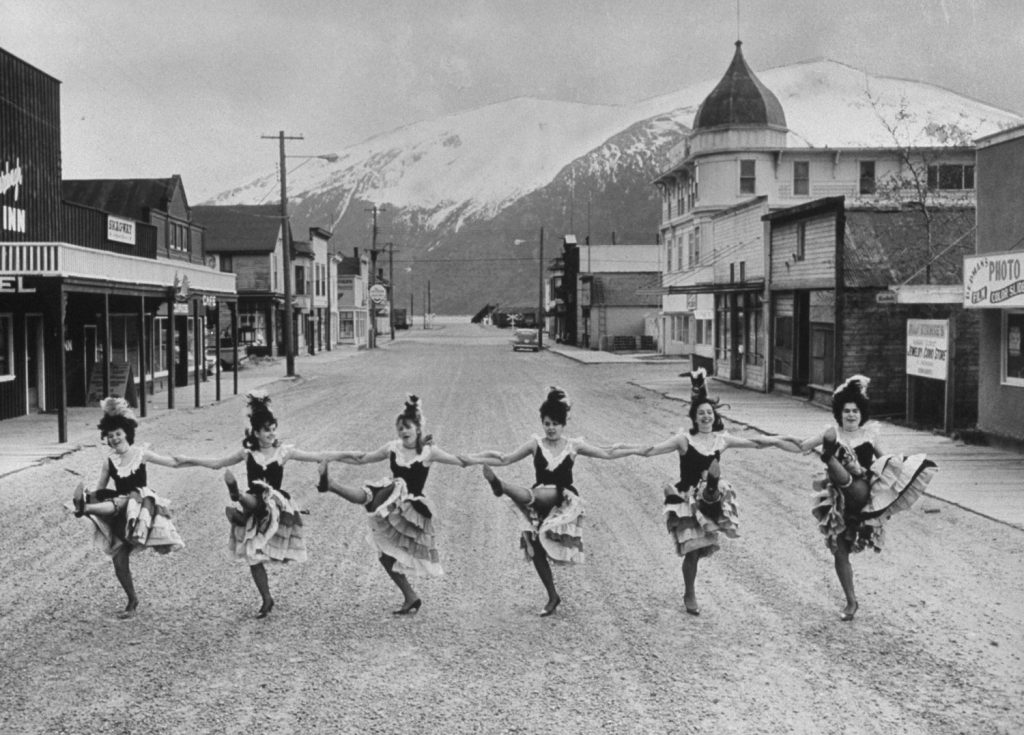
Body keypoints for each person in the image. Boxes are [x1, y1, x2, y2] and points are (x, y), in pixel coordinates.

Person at [459, 386, 638, 617]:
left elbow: (609, 453)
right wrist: (471, 459)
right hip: (538, 499)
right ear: (541, 423)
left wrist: (639, 451)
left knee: (537, 495)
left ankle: (501, 487)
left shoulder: (574, 445)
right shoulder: (536, 444)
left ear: (563, 424)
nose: (551, 428)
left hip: (562, 499)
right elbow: (504, 458)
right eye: (547, 423)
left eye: (555, 423)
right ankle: (552, 595)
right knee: (535, 547)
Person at [772, 375, 937, 621]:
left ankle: (829, 457)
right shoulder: (832, 432)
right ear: (840, 413)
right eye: (847, 411)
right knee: (839, 550)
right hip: (838, 500)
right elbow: (801, 447)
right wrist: (771, 441)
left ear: (862, 413)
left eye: (855, 411)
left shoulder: (870, 435)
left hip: (863, 492)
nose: (851, 415)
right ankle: (851, 602)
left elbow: (887, 464)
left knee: (850, 476)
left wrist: (901, 488)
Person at [174, 390, 352, 618]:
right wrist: (187, 459)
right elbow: (218, 463)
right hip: (255, 502)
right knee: (252, 553)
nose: (271, 433)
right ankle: (266, 598)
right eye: (266, 429)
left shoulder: (283, 452)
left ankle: (236, 496)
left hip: (275, 504)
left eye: (273, 428)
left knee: (259, 500)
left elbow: (319, 454)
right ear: (256, 432)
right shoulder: (248, 453)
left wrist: (351, 455)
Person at [615, 368, 775, 616]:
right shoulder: (683, 440)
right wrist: (625, 449)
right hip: (687, 499)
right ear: (694, 417)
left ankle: (712, 484)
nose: (706, 417)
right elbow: (651, 450)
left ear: (714, 416)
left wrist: (788, 441)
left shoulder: (722, 439)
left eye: (709, 413)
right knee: (691, 550)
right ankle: (690, 593)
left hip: (711, 498)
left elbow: (757, 443)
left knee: (700, 548)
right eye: (701, 413)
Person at [316, 395, 466, 615]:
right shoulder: (393, 447)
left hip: (409, 509)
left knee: (387, 552)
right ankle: (330, 484)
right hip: (391, 500)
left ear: (418, 428)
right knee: (380, 534)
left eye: (407, 427)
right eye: (400, 428)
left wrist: (489, 459)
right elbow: (363, 459)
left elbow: (459, 460)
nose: (403, 432)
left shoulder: (428, 451)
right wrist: (335, 456)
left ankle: (331, 485)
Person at [68, 396, 186, 619]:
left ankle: (85, 508)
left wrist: (206, 463)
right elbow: (100, 489)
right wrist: (89, 497)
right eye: (110, 436)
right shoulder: (109, 461)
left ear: (127, 434)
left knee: (124, 500)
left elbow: (173, 463)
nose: (114, 439)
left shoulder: (141, 454)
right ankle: (132, 600)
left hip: (140, 506)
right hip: (119, 512)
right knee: (119, 560)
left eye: (118, 434)